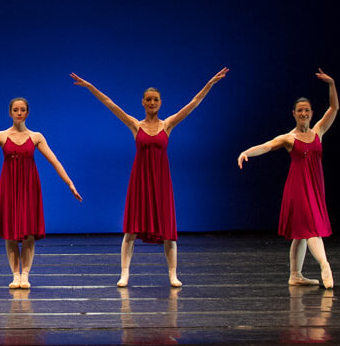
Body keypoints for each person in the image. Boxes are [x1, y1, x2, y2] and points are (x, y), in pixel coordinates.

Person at [70, 68, 228, 287]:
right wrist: (90, 87)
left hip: (161, 182)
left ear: (160, 102)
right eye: (148, 100)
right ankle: (124, 273)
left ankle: (173, 274)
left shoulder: (168, 124)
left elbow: (193, 103)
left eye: (155, 99)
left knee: (168, 232)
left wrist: (209, 83)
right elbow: (111, 104)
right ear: (143, 103)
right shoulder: (136, 125)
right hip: (140, 181)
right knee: (131, 230)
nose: (152, 102)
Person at [0, 96, 82, 289]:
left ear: (27, 113)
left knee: (29, 233)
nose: (19, 113)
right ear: (10, 113)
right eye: (16, 110)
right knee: (11, 234)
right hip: (9, 187)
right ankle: (15, 274)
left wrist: (70, 183)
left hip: (29, 188)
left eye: (23, 110)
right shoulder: (0, 136)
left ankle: (25, 274)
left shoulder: (36, 137)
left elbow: (55, 161)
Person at [238, 69, 338, 288]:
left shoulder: (318, 132)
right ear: (293, 113)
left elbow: (334, 108)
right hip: (298, 189)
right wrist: (246, 152)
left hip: (315, 187)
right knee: (310, 227)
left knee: (301, 233)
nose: (304, 114)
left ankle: (295, 275)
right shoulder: (289, 138)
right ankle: (324, 265)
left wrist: (331, 84)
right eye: (300, 111)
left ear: (312, 113)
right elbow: (266, 146)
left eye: (307, 110)